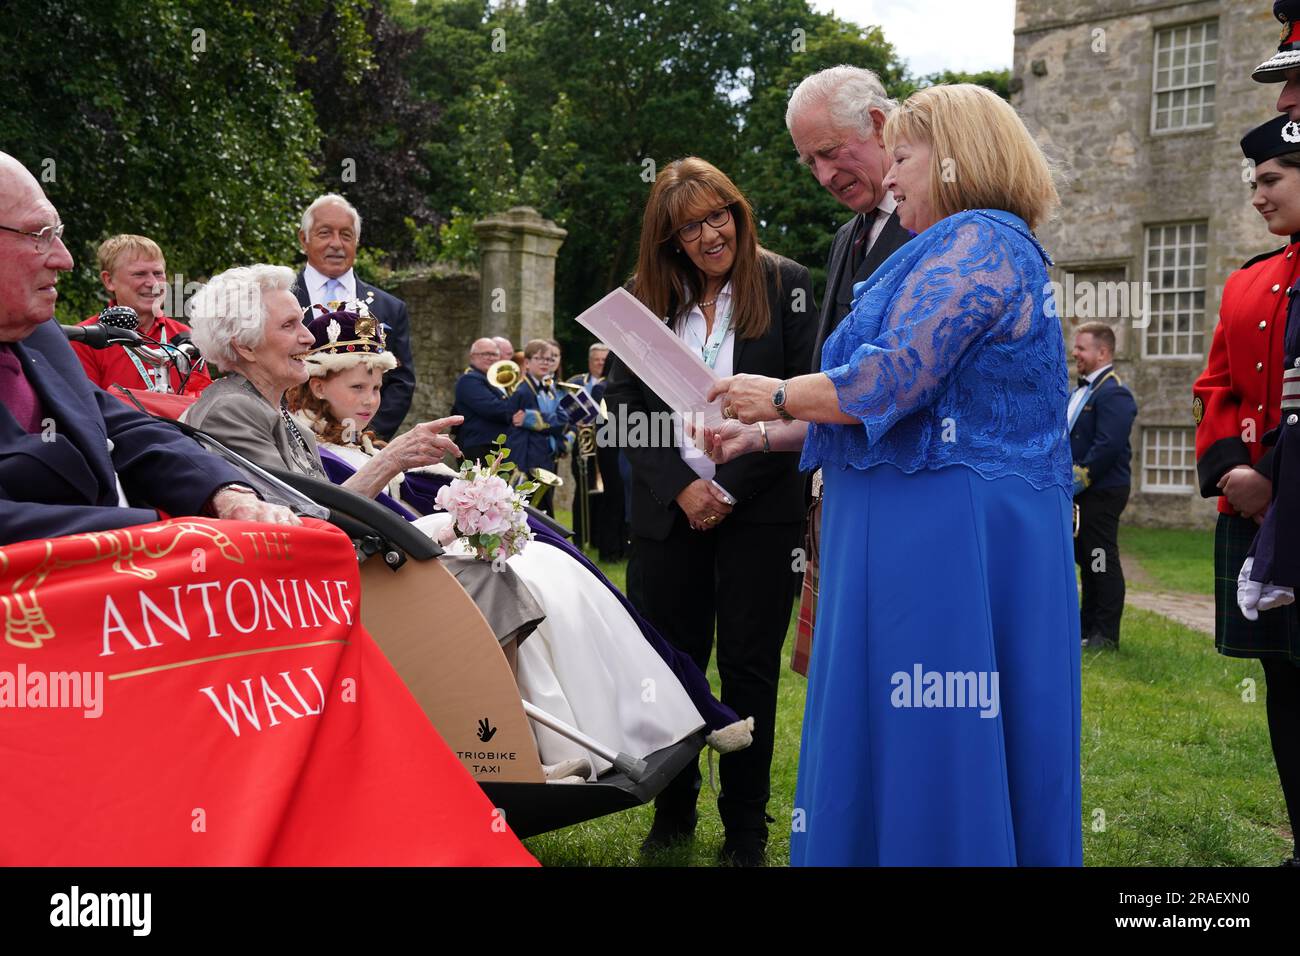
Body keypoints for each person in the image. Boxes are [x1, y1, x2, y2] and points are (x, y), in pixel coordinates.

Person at [706, 84, 1081, 866]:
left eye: (903, 157)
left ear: (955, 158)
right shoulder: (948, 246)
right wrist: (767, 435)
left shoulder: (983, 241)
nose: (892, 179)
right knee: (890, 716)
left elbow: (897, 376)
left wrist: (772, 391)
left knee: (932, 722)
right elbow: (901, 403)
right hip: (909, 525)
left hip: (946, 533)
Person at [283, 309, 753, 779]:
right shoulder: (303, 444)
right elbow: (330, 518)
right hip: (384, 575)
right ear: (319, 385)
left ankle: (630, 724)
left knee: (560, 566)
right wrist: (445, 518)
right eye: (358, 388)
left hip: (414, 552)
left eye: (377, 387)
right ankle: (519, 748)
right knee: (523, 574)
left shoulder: (360, 440)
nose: (372, 400)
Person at [603, 156, 815, 866]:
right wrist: (683, 486)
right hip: (666, 514)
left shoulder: (787, 284)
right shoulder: (640, 301)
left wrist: (729, 487)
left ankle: (746, 832)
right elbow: (625, 409)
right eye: (689, 226)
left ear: (738, 213)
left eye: (718, 215)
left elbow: (804, 395)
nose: (709, 234)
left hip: (760, 515)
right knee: (671, 664)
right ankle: (673, 812)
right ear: (668, 240)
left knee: (748, 669)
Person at [184, 265, 545, 657]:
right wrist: (390, 460)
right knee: (489, 582)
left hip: (333, 578)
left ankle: (483, 715)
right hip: (303, 603)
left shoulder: (276, 413)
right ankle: (484, 717)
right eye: (290, 326)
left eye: (302, 323)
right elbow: (297, 530)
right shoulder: (231, 411)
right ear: (245, 346)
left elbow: (325, 510)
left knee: (492, 574)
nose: (307, 337)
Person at [0, 152, 292, 545]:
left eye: (59, 233)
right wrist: (165, 534)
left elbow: (121, 427)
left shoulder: (40, 336)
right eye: (40, 236)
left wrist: (223, 493)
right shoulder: (83, 336)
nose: (64, 259)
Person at [784, 65, 915, 667]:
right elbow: (827, 371)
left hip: (910, 493)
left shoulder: (943, 226)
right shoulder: (846, 238)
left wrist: (774, 401)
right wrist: (764, 429)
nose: (824, 176)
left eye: (832, 153)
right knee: (849, 668)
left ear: (881, 125)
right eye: (810, 161)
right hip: (842, 490)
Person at [292, 193, 414, 440]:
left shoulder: (390, 307)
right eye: (325, 233)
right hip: (287, 442)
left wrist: (362, 435)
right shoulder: (278, 299)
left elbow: (401, 382)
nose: (336, 243)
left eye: (346, 235)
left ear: (356, 241)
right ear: (303, 239)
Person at [70, 234, 212, 396]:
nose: (153, 283)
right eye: (139, 274)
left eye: (158, 273)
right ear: (109, 280)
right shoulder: (85, 339)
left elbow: (202, 402)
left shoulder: (187, 336)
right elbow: (85, 409)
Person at [1069, 322, 1137, 650]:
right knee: (1088, 558)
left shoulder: (1115, 393)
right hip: (1084, 494)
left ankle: (1106, 635)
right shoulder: (1083, 391)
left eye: (1081, 348)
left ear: (1103, 353)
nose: (1075, 353)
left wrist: (1076, 480)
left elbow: (1107, 446)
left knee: (1101, 558)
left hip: (1101, 491)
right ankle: (1087, 630)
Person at [567, 343, 625, 558]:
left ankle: (602, 539)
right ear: (590, 361)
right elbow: (567, 411)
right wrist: (578, 424)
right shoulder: (575, 383)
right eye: (596, 359)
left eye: (603, 359)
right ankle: (581, 538)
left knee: (607, 495)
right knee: (583, 493)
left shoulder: (608, 384)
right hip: (585, 446)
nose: (600, 363)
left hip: (605, 445)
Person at [506, 339, 568, 517]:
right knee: (525, 509)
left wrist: (532, 419)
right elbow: (513, 426)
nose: (545, 363)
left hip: (543, 455)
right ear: (526, 362)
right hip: (526, 458)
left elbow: (563, 421)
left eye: (549, 359)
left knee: (543, 510)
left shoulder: (550, 389)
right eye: (539, 358)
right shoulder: (523, 391)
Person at [453, 338, 522, 465]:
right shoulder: (469, 380)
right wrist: (517, 411)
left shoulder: (492, 381)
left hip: (496, 448)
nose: (490, 358)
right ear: (472, 356)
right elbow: (494, 409)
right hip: (479, 448)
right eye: (485, 354)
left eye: (494, 354)